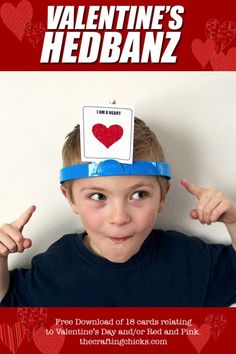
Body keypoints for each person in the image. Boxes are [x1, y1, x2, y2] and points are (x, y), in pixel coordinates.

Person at [0, 117, 236, 306]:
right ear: (70, 198)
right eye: (98, 196)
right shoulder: (55, 269)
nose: (119, 217)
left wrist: (233, 222)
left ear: (162, 195)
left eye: (138, 195)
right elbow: (8, 307)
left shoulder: (188, 261)